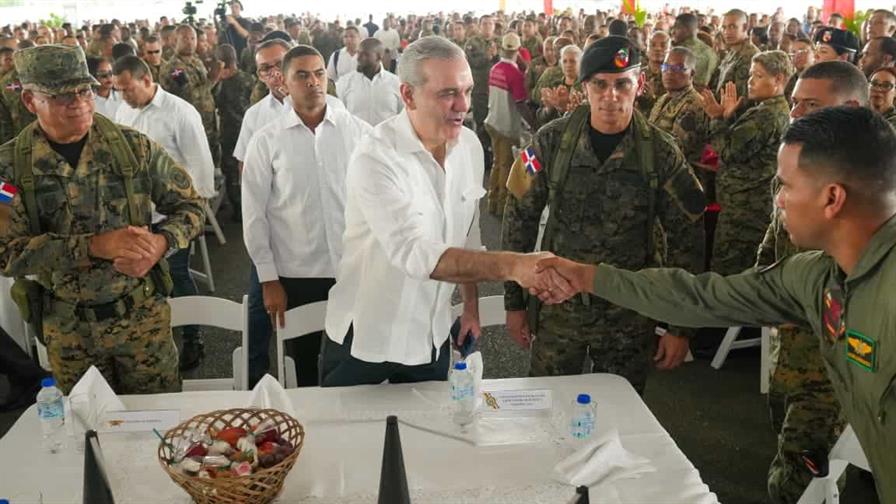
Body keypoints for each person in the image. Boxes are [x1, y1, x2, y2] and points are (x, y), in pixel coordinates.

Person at [534, 106, 896, 504]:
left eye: (786, 187)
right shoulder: (817, 276)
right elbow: (703, 296)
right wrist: (587, 276)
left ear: (832, 198)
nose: (777, 201)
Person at [320, 36, 558, 387]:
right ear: (408, 95)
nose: (462, 105)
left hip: (430, 336)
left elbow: (467, 237)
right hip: (367, 338)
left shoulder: (470, 147)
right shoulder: (375, 157)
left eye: (467, 90)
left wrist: (471, 307)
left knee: (430, 437)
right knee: (348, 439)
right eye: (447, 93)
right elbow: (415, 254)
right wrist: (513, 266)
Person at [502, 36, 706, 394]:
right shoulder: (551, 142)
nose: (611, 95)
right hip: (558, 308)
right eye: (600, 84)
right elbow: (519, 218)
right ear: (585, 87)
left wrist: (679, 327)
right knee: (545, 408)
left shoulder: (661, 153)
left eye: (622, 83)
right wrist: (514, 302)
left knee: (621, 420)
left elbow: (687, 240)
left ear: (639, 85)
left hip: (627, 313)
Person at [0, 44, 205, 394]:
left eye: (84, 90)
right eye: (62, 95)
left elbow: (191, 207)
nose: (78, 102)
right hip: (70, 332)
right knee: (88, 436)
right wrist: (94, 246)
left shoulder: (133, 148)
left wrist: (160, 243)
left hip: (143, 324)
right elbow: (7, 253)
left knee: (158, 429)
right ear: (31, 102)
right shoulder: (9, 169)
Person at [758, 59, 867, 504]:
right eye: (795, 104)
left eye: (813, 105)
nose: (797, 115)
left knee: (802, 478)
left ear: (854, 109)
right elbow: (772, 247)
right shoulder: (798, 166)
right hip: (790, 346)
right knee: (789, 455)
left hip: (837, 360)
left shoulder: (878, 185)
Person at [242, 45, 371, 387]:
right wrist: (269, 279)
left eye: (319, 74)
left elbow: (378, 202)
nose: (313, 82)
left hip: (352, 270)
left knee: (354, 363)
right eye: (302, 75)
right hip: (296, 275)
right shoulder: (266, 141)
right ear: (283, 82)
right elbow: (254, 215)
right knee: (302, 368)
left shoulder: (358, 133)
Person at [112, 55, 216, 371]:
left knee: (176, 275)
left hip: (171, 214)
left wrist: (195, 214)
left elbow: (200, 164)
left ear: (146, 80)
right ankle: (151, 337)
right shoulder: (122, 110)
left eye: (127, 89)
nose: (123, 96)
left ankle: (192, 336)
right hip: (133, 215)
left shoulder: (179, 112)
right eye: (118, 90)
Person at [700, 51, 792, 276]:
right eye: (751, 75)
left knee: (728, 273)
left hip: (745, 212)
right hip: (745, 207)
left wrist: (717, 118)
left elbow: (729, 151)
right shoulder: (763, 110)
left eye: (758, 76)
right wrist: (729, 117)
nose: (750, 81)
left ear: (778, 79)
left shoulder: (767, 115)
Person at [483, 33, 536, 216]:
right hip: (506, 126)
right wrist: (535, 123)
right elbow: (520, 104)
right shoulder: (514, 74)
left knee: (498, 163)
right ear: (518, 50)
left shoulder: (495, 68)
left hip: (492, 121)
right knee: (506, 165)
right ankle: (503, 206)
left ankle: (492, 201)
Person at [160, 25, 220, 169]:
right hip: (189, 125)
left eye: (193, 38)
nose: (190, 42)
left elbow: (207, 91)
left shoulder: (196, 61)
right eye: (185, 38)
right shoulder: (174, 68)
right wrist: (213, 78)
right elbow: (188, 95)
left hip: (207, 121)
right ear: (175, 41)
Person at [649, 47, 709, 188]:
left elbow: (676, 150)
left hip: (679, 184)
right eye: (666, 66)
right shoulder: (665, 98)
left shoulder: (694, 105)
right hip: (659, 177)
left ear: (692, 74)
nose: (669, 72)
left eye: (678, 68)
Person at [212, 44, 254, 220]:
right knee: (244, 170)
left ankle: (240, 209)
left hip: (230, 132)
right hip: (247, 132)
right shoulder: (249, 79)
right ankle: (245, 208)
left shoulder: (218, 84)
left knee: (232, 170)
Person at [335, 38, 402, 126]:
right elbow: (339, 115)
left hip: (387, 139)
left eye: (365, 54)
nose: (358, 58)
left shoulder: (396, 83)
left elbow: (403, 116)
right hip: (355, 138)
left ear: (379, 56)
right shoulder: (345, 82)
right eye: (358, 53)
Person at [714, 9, 759, 100]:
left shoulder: (750, 55)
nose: (727, 32)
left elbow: (743, 98)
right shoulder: (732, 51)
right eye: (724, 27)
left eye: (732, 27)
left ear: (745, 27)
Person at [671, 13, 718, 89]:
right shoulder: (708, 51)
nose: (673, 32)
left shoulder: (701, 53)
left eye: (677, 28)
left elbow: (700, 87)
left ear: (687, 29)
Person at [637, 30, 670, 115]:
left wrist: (653, 99)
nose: (658, 49)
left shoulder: (673, 77)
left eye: (663, 45)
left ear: (669, 50)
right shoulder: (637, 75)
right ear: (647, 50)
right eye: (653, 45)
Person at [784, 36, 815, 101]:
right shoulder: (790, 82)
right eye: (793, 52)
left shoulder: (819, 79)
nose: (797, 55)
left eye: (802, 51)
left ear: (814, 53)